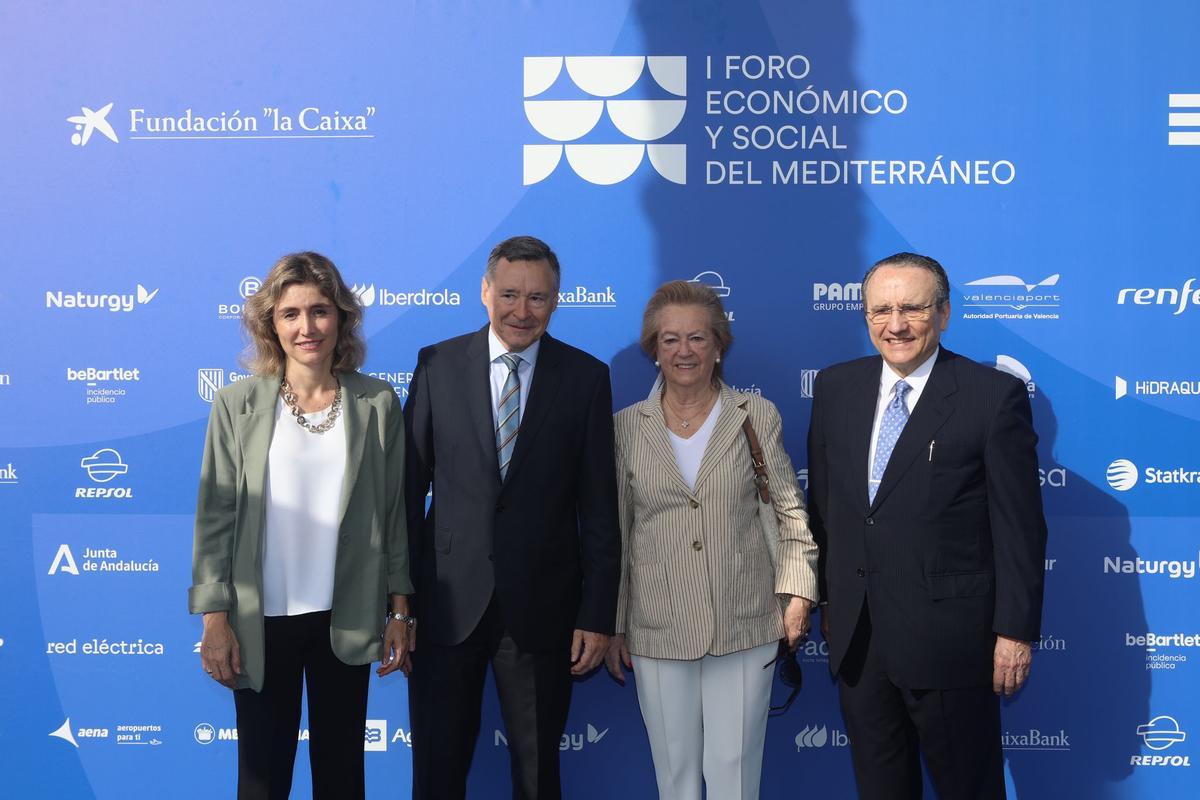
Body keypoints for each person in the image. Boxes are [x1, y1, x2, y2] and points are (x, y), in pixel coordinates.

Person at [806, 252, 1048, 799]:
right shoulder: (836, 388)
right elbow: (823, 507)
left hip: (951, 644)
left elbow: (1019, 529)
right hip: (859, 643)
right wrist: (822, 598)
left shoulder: (991, 397)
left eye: (912, 309)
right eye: (880, 310)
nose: (895, 325)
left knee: (968, 787)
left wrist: (1014, 632)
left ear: (943, 313)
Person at [403, 235, 621, 800]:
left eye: (538, 298)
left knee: (537, 771)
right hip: (446, 607)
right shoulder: (437, 364)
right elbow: (406, 494)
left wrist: (597, 614)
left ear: (556, 300)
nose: (522, 311)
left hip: (543, 611)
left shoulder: (585, 378)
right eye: (509, 295)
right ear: (484, 292)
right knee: (437, 768)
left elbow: (599, 507)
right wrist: (398, 606)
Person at [189, 252, 413, 799]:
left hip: (347, 614)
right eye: (290, 314)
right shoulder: (236, 404)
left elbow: (394, 513)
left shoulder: (377, 401)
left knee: (341, 779)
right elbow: (215, 519)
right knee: (262, 781)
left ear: (341, 318)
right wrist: (214, 620)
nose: (306, 327)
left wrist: (400, 609)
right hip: (258, 622)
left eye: (319, 311)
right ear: (272, 324)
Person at [604, 280, 818, 800]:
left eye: (697, 338)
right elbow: (615, 533)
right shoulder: (625, 427)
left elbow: (791, 514)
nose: (684, 351)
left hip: (745, 622)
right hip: (657, 628)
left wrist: (798, 594)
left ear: (719, 346)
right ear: (653, 349)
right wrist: (613, 624)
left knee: (735, 773)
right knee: (673, 776)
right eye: (670, 339)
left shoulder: (755, 416)